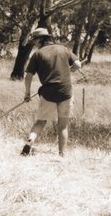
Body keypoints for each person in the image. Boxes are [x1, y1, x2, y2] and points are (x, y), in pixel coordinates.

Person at [21, 27, 81, 157]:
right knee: (63, 126)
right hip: (65, 92)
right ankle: (62, 154)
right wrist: (68, 70)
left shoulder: (38, 54)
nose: (34, 43)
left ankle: (30, 141)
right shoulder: (63, 49)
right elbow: (78, 65)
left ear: (41, 39)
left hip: (48, 93)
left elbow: (28, 76)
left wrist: (27, 93)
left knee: (40, 122)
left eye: (35, 41)